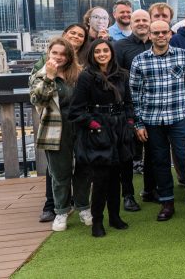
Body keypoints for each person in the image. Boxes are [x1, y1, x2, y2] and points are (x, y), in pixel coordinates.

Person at [130, 20, 185, 223]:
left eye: (164, 32)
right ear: (150, 35)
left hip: (179, 117)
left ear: (170, 34)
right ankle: (167, 202)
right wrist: (138, 123)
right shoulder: (140, 60)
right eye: (156, 33)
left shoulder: (183, 55)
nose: (160, 36)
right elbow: (134, 95)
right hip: (152, 120)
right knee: (159, 162)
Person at [65, 39, 134, 237]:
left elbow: (128, 102)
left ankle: (114, 217)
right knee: (101, 179)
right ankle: (97, 221)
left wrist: (129, 123)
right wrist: (94, 125)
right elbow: (75, 111)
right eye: (98, 52)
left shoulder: (122, 75)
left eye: (105, 50)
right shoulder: (86, 77)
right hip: (98, 131)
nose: (102, 54)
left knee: (116, 177)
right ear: (92, 55)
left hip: (120, 129)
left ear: (111, 52)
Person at [31, 38, 90, 232]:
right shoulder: (39, 74)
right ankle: (62, 211)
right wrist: (49, 76)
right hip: (55, 127)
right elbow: (38, 99)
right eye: (55, 53)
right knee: (59, 172)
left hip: (80, 125)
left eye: (63, 54)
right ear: (49, 53)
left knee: (83, 168)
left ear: (70, 56)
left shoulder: (79, 73)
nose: (59, 57)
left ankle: (83, 207)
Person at [111, 9, 151, 211]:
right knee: (127, 155)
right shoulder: (120, 46)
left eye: (145, 20)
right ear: (131, 24)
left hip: (154, 106)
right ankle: (128, 195)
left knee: (154, 152)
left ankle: (152, 190)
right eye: (138, 20)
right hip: (129, 105)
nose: (142, 23)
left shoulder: (159, 42)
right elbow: (115, 75)